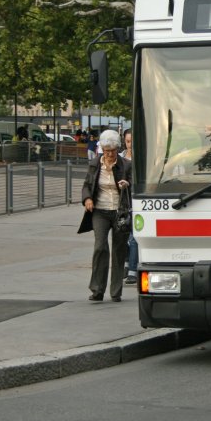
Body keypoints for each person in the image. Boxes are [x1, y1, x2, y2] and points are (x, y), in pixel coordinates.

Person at [79, 129, 132, 302]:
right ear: (101, 148)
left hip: (119, 212)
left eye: (113, 150)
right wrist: (87, 198)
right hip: (100, 211)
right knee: (100, 247)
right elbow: (87, 184)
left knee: (119, 250)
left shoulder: (126, 165)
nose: (109, 154)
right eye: (106, 150)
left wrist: (127, 184)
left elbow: (136, 185)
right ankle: (97, 290)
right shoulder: (95, 164)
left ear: (117, 149)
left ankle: (116, 292)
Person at [119, 128, 138, 285]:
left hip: (135, 199)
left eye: (132, 141)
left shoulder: (142, 157)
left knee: (133, 237)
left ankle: (132, 269)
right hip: (122, 201)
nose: (130, 144)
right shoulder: (120, 158)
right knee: (123, 233)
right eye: (127, 141)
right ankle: (126, 264)